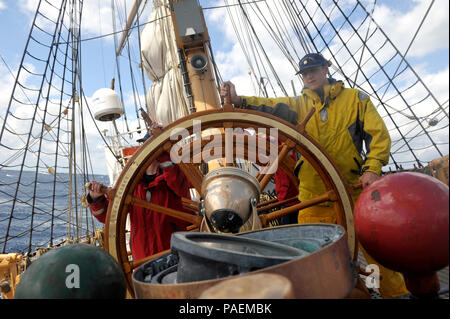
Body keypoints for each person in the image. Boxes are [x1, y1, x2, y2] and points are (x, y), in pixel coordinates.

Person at [220, 52, 409, 298]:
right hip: (313, 197)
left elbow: (379, 137)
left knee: (377, 254)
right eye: (305, 73)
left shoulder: (356, 100)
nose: (309, 76)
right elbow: (268, 105)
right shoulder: (299, 105)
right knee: (312, 260)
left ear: (326, 70)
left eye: (314, 71)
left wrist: (372, 168)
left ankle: (395, 294)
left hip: (352, 192)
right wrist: (239, 99)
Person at [87, 145, 192, 260]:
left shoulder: (172, 179)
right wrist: (96, 199)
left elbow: (180, 188)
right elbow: (107, 217)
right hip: (142, 259)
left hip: (175, 255)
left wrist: (164, 153)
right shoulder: (130, 187)